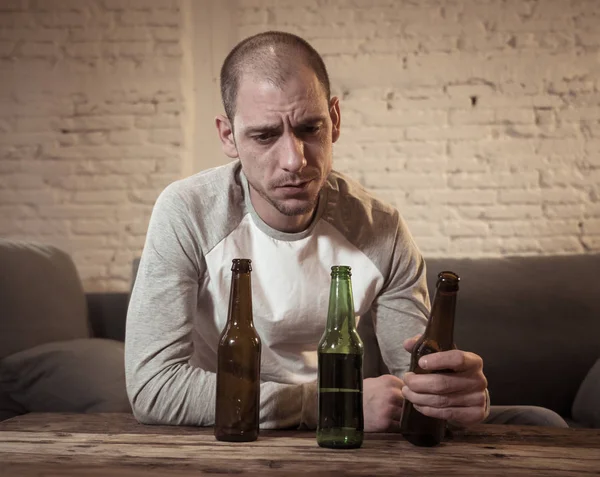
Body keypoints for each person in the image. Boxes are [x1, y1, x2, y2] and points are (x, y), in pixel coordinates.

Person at [125, 31, 567, 431]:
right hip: (233, 428)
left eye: (309, 128)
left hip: (345, 432)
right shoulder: (187, 212)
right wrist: (324, 404)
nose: (294, 160)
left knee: (541, 422)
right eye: (263, 136)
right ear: (228, 137)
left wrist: (451, 398)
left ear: (334, 119)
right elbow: (152, 388)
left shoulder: (381, 228)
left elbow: (414, 383)